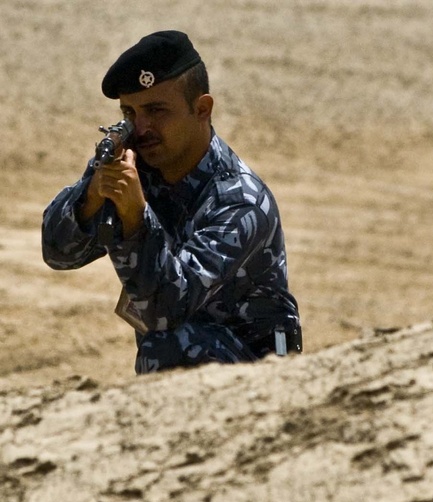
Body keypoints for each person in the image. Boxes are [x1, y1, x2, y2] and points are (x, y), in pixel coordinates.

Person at [42, 30, 301, 374]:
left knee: (168, 344)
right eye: (130, 113)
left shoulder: (239, 200)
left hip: (258, 372)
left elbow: (165, 309)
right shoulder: (134, 164)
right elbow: (57, 253)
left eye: (156, 110)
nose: (142, 127)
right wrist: (90, 198)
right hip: (184, 347)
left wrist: (135, 220)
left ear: (201, 109)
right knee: (167, 345)